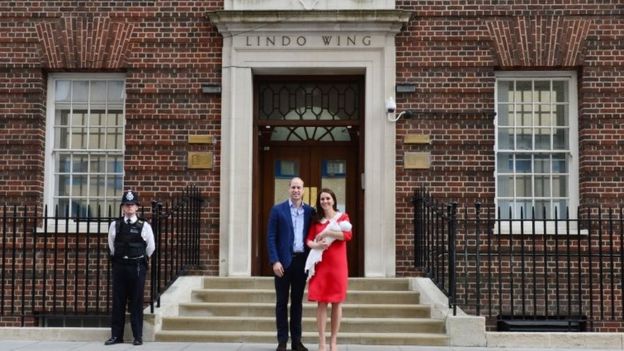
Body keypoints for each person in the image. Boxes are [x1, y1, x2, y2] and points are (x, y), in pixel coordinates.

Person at [267, 177, 313, 351]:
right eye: (293, 187)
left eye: (299, 188)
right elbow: (271, 237)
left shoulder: (310, 211)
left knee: (297, 303)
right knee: (281, 303)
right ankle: (281, 341)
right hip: (282, 263)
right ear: (289, 189)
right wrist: (275, 260)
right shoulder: (278, 210)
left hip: (301, 262)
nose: (296, 190)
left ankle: (296, 341)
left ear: (303, 190)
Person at [105, 190, 155, 346]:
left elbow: (151, 248)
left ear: (137, 207)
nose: (129, 208)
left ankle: (137, 336)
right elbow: (111, 246)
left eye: (131, 205)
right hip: (120, 266)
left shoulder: (144, 225)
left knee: (136, 302)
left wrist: (137, 259)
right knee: (118, 302)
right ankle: (116, 336)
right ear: (122, 207)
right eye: (126, 205)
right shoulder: (115, 224)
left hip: (136, 267)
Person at [306, 188, 352, 351]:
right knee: (321, 303)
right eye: (322, 199)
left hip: (338, 265)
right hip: (321, 265)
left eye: (328, 198)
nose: (325, 201)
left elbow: (347, 236)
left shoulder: (342, 217)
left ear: (333, 200)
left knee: (337, 303)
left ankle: (333, 342)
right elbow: (309, 240)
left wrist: (327, 231)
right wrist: (316, 244)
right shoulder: (316, 220)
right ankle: (322, 342)